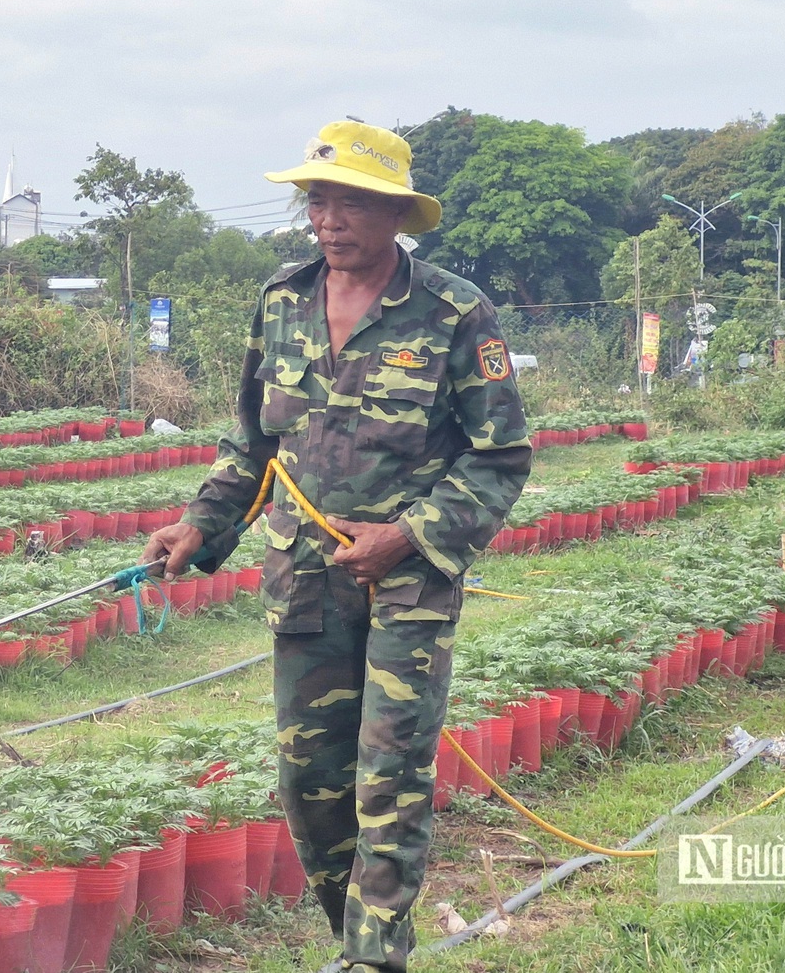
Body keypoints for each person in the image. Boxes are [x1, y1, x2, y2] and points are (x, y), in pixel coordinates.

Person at [142, 119, 531, 972]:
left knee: (388, 778)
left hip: (408, 586)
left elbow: (500, 456)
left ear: (395, 212)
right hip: (303, 581)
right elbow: (251, 444)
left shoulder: (457, 311)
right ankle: (352, 939)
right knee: (312, 788)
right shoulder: (281, 301)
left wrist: (409, 536)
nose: (329, 218)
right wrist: (200, 526)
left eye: (350, 201)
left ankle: (372, 956)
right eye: (318, 199)